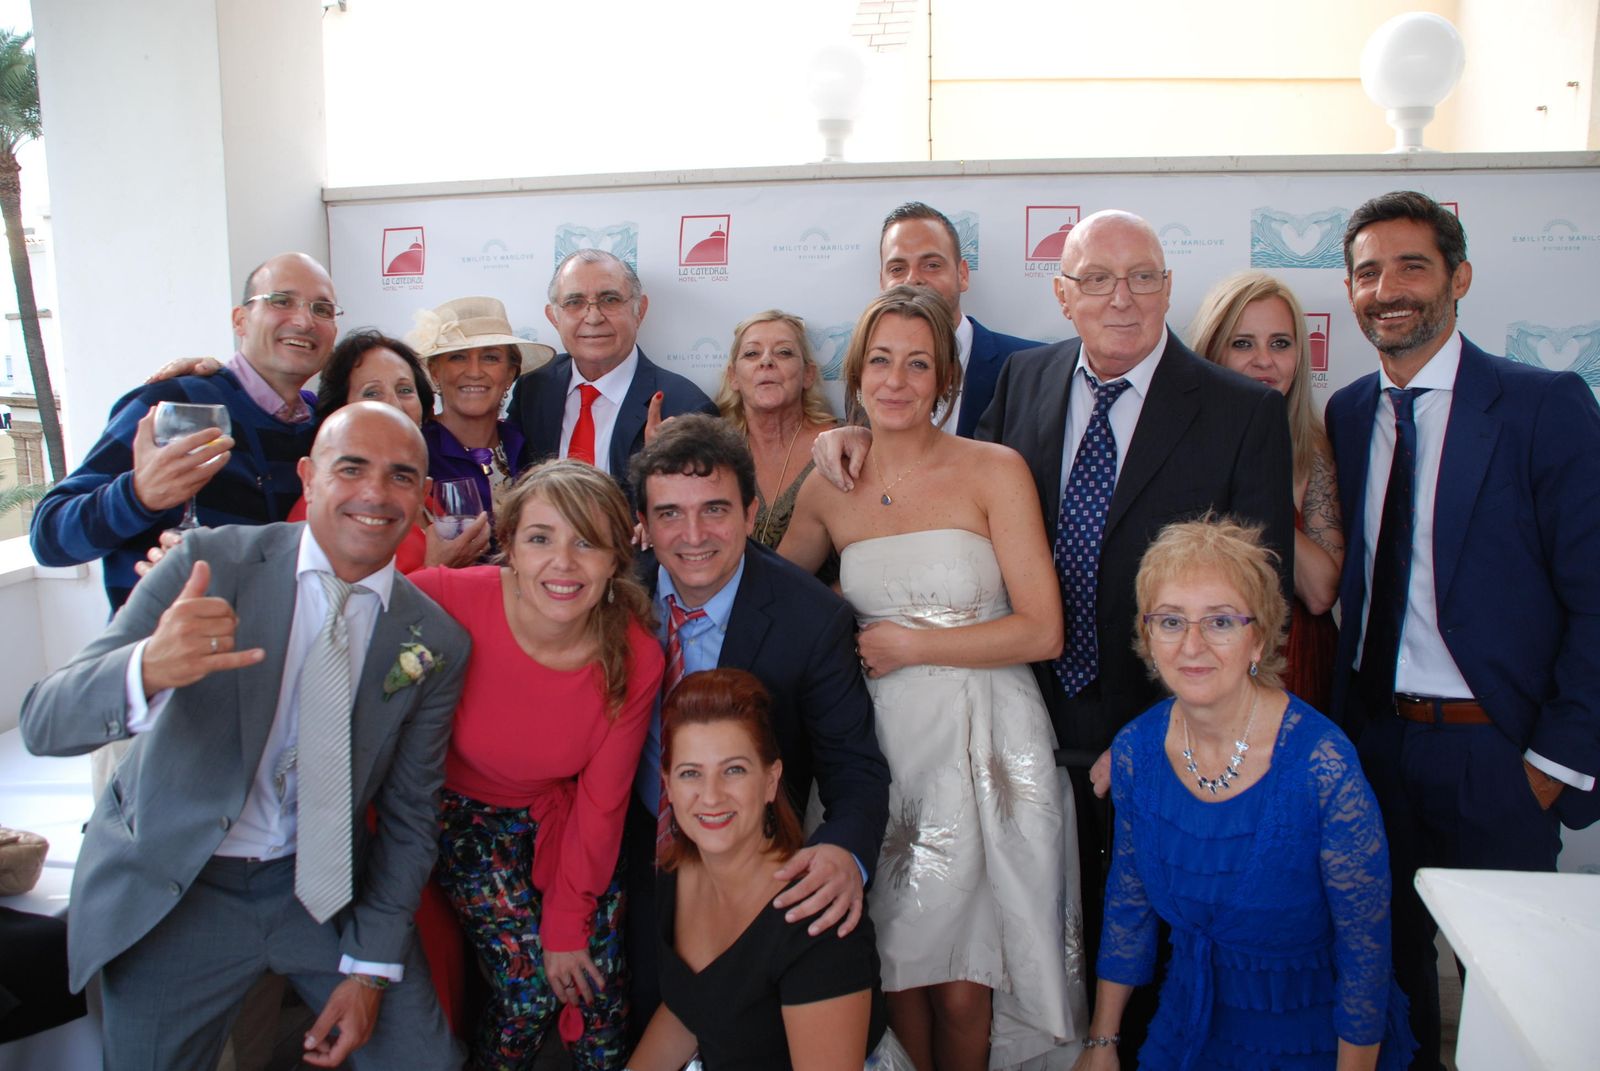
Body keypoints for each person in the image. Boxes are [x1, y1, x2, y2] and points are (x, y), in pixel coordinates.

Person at [812, 211, 1294, 1054]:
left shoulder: (1241, 412)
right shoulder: (1026, 379)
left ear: (1169, 287)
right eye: (1096, 279)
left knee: (1156, 967)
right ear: (1063, 295)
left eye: (1141, 277)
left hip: (1159, 731)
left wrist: (1170, 729)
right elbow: (940, 498)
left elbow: (1256, 603)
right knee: (1015, 952)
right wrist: (857, 434)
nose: (1121, 298)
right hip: (1013, 732)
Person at [19, 402, 472, 1071]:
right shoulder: (210, 563)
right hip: (182, 884)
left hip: (321, 886)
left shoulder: (434, 638)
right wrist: (146, 669)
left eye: (401, 475)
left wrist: (371, 970)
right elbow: (43, 721)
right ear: (308, 477)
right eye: (351, 468)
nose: (376, 492)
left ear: (424, 494)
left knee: (424, 1061)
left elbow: (410, 816)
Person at [1325, 190, 1600, 1069]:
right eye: (1368, 272)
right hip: (1377, 745)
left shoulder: (1542, 405)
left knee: (1509, 1002)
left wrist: (1551, 765)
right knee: (1389, 982)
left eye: (1412, 266)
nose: (1387, 289)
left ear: (1460, 277)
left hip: (1498, 756)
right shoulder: (1348, 413)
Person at [782, 286, 1084, 1070]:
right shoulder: (828, 484)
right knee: (897, 971)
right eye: (880, 360)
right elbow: (772, 595)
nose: (896, 380)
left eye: (918, 364)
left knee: (963, 984)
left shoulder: (994, 470)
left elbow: (1043, 629)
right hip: (878, 753)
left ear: (947, 378)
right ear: (856, 372)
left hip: (984, 745)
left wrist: (913, 645)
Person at [1079, 516, 1414, 1071]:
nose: (1192, 645)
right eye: (1171, 621)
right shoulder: (1136, 749)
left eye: (1220, 621)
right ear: (1148, 636)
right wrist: (1101, 1042)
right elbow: (1129, 904)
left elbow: (1365, 951)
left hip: (1314, 1040)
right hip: (1187, 1029)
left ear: (1258, 637)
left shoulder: (1322, 764)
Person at [623, 413, 890, 1041]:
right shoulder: (612, 599)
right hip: (626, 858)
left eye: (715, 510)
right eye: (669, 514)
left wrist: (845, 852)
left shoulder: (810, 619)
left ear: (750, 513)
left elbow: (855, 770)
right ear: (643, 525)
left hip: (749, 873)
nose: (693, 535)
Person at [409, 460, 665, 1070]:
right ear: (511, 546)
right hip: (464, 815)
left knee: (597, 988)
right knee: (528, 995)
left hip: (563, 815)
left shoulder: (634, 655)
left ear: (617, 557)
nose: (563, 563)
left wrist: (568, 926)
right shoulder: (446, 597)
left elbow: (602, 804)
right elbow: (345, 619)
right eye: (541, 538)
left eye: (587, 542)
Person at [627, 669, 913, 1071]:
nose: (711, 796)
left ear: (770, 780)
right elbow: (688, 1007)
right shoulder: (676, 873)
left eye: (734, 770)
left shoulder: (816, 918)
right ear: (668, 786)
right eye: (691, 773)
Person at [30, 252, 337, 610]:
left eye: (322, 309)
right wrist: (137, 495)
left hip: (275, 640)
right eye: (281, 301)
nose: (304, 320)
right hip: (168, 639)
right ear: (241, 320)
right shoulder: (176, 403)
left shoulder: (324, 428)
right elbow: (50, 538)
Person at [1189, 271, 1343, 714]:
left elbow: (1321, 592)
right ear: (1212, 351)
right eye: (1243, 344)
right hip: (1201, 660)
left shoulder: (1312, 445)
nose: (1264, 361)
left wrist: (1251, 492)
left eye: (1280, 343)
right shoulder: (1176, 444)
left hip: (1293, 663)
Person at [507, 249, 717, 497]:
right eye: (574, 302)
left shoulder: (685, 407)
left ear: (639, 311)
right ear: (554, 317)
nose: (594, 317)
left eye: (610, 299)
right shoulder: (534, 388)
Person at [878, 201, 1041, 437]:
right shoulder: (869, 375)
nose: (913, 279)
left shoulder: (1030, 369)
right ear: (882, 283)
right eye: (897, 269)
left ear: (962, 275)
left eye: (931, 265)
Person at [405, 294, 556, 527]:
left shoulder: (526, 446)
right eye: (458, 357)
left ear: (510, 374)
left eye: (490, 357)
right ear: (435, 372)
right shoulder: (415, 451)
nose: (474, 372)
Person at [711, 309, 838, 550]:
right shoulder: (711, 451)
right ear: (733, 377)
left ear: (808, 374)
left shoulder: (843, 446)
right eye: (752, 353)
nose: (766, 361)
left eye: (784, 352)